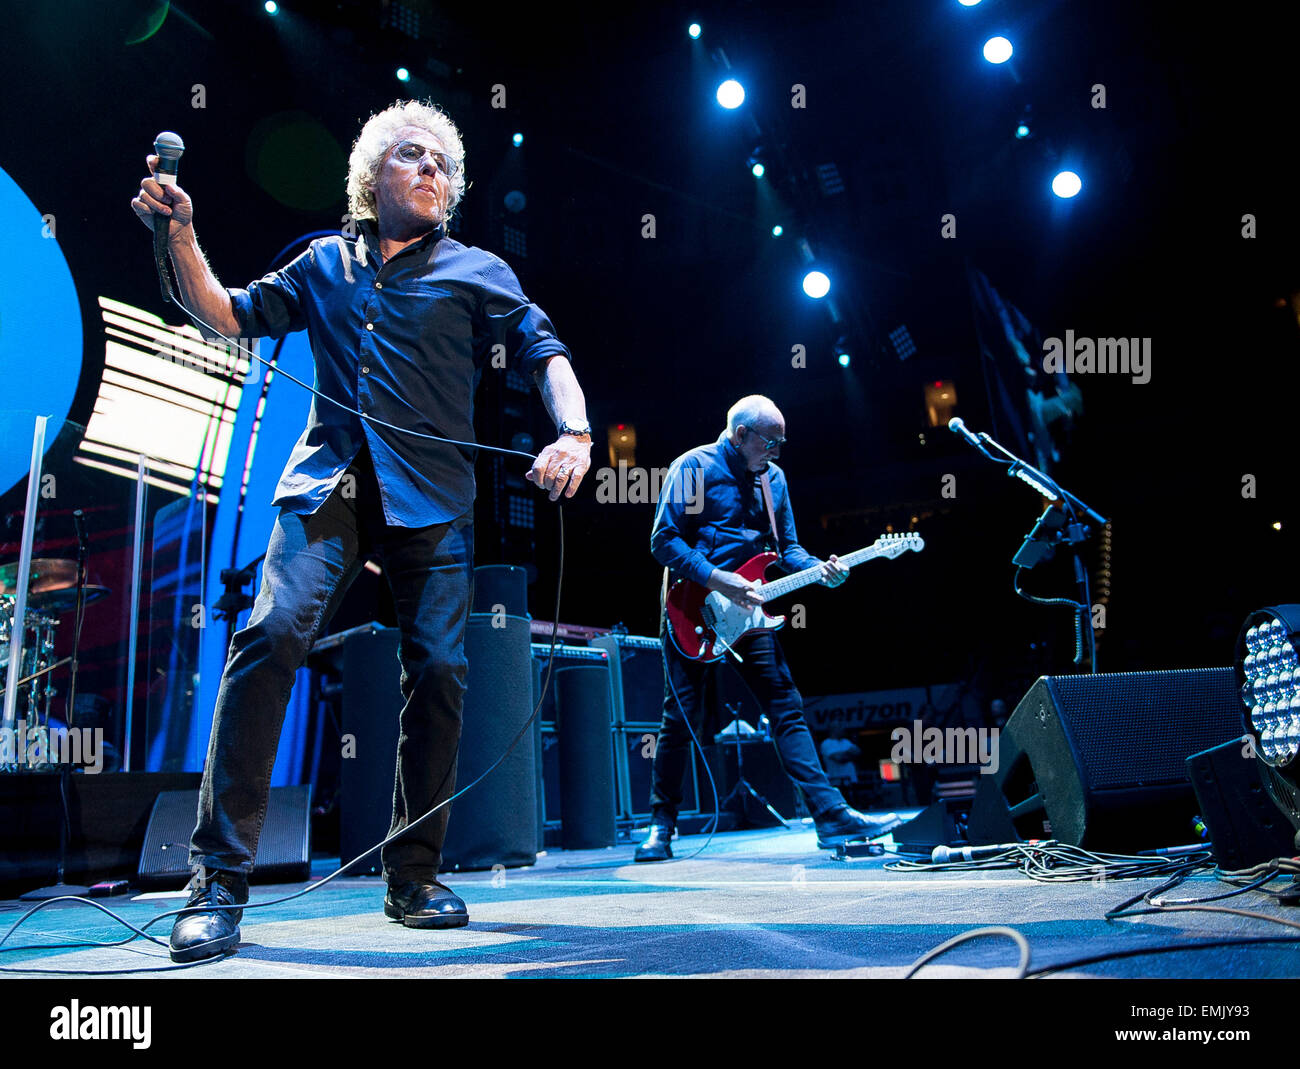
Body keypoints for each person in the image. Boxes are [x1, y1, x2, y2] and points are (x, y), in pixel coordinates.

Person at [131, 99, 593, 961]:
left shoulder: (476, 269)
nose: (432, 172)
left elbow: (544, 348)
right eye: (413, 156)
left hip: (434, 495)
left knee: (444, 670)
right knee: (270, 633)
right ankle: (216, 885)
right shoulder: (321, 265)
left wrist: (573, 432)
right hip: (329, 485)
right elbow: (226, 315)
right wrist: (181, 236)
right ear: (370, 174)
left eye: (445, 165)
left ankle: (413, 874)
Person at [636, 396, 900, 861]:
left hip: (751, 611)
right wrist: (720, 580)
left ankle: (830, 817)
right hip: (690, 608)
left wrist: (821, 569)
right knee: (679, 721)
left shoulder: (772, 480)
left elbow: (788, 550)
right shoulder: (692, 468)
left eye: (781, 443)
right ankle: (662, 825)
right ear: (740, 435)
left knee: (786, 704)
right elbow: (663, 541)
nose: (776, 452)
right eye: (770, 442)